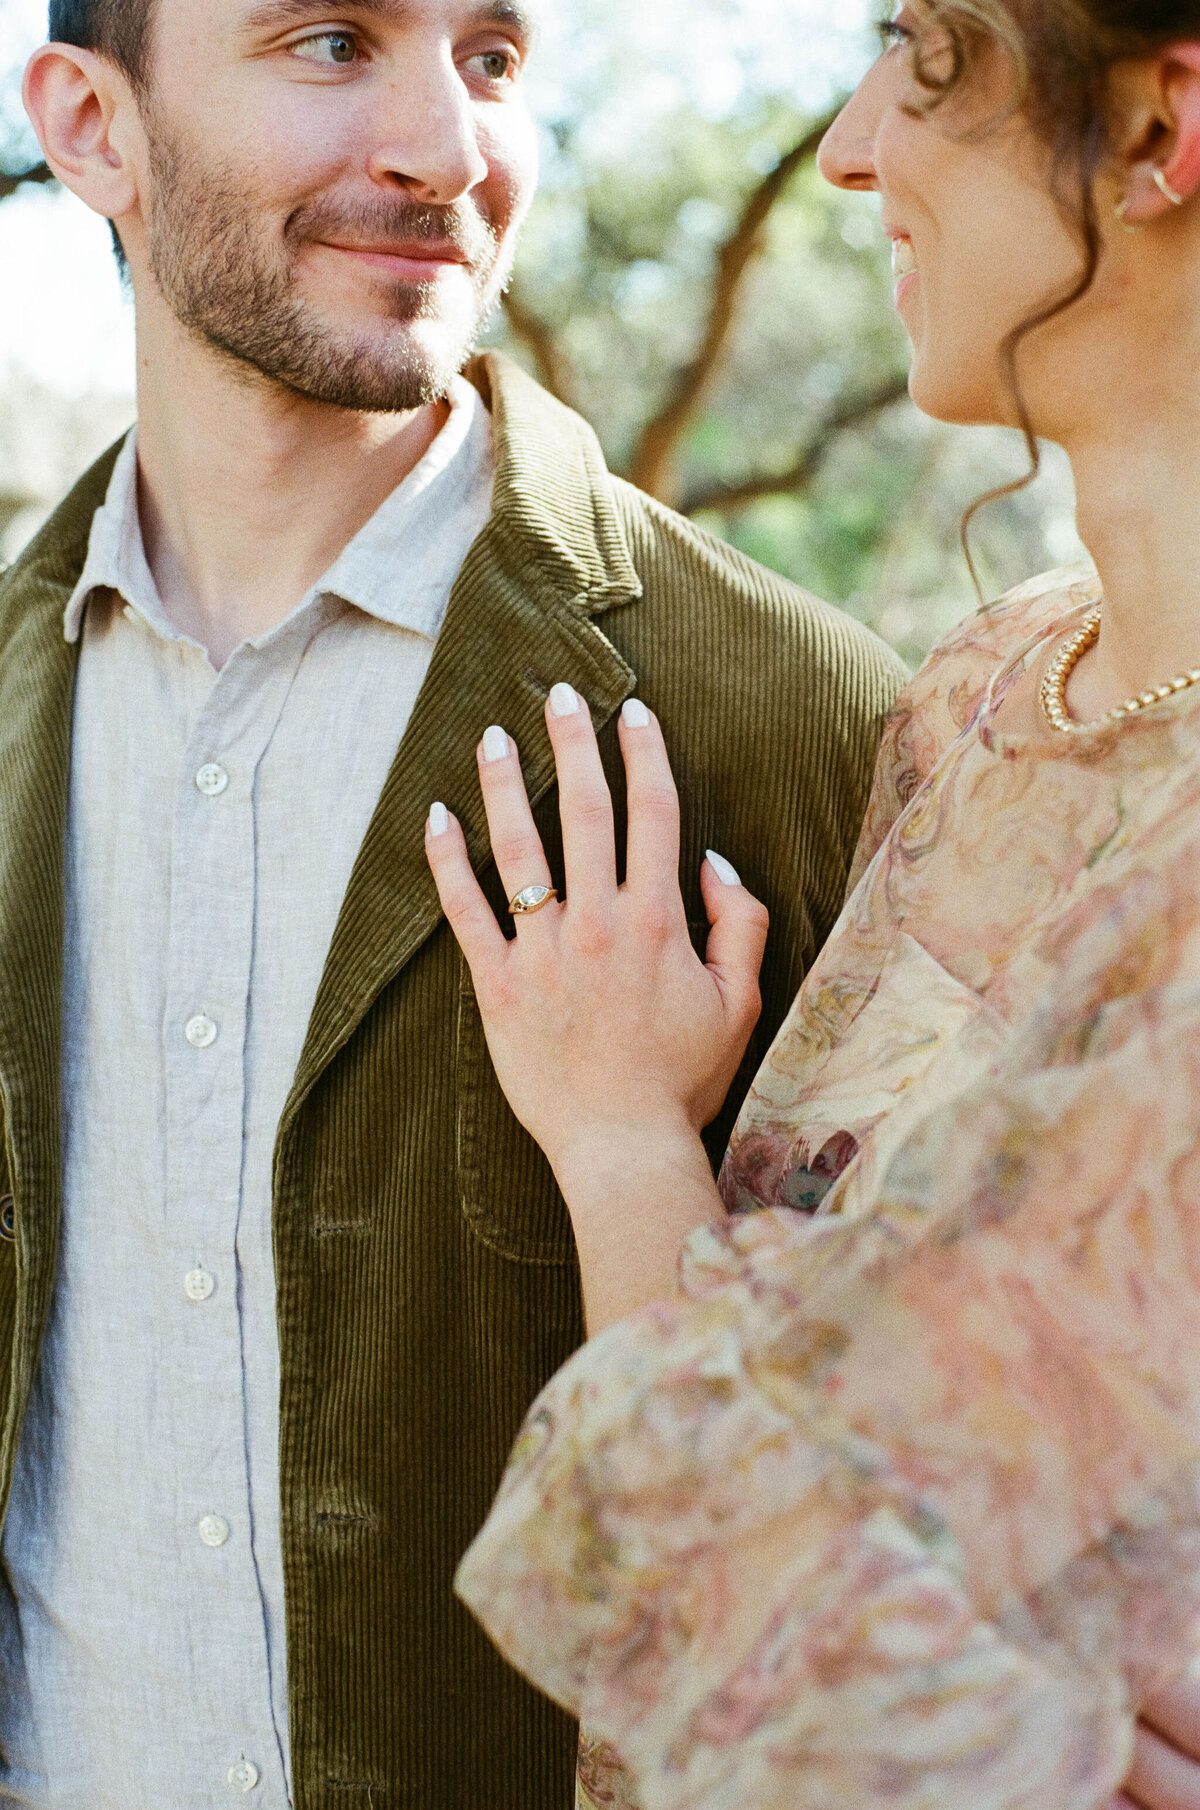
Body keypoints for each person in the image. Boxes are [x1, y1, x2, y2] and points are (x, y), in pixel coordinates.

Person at [0, 1, 903, 1805]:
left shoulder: (812, 728)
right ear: (91, 127)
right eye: (332, 41)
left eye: (490, 55)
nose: (445, 146)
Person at [430, 2, 1200, 1807]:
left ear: (1166, 128)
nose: (853, 144)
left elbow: (777, 1665)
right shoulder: (986, 693)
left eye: (919, 44)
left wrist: (621, 1139)